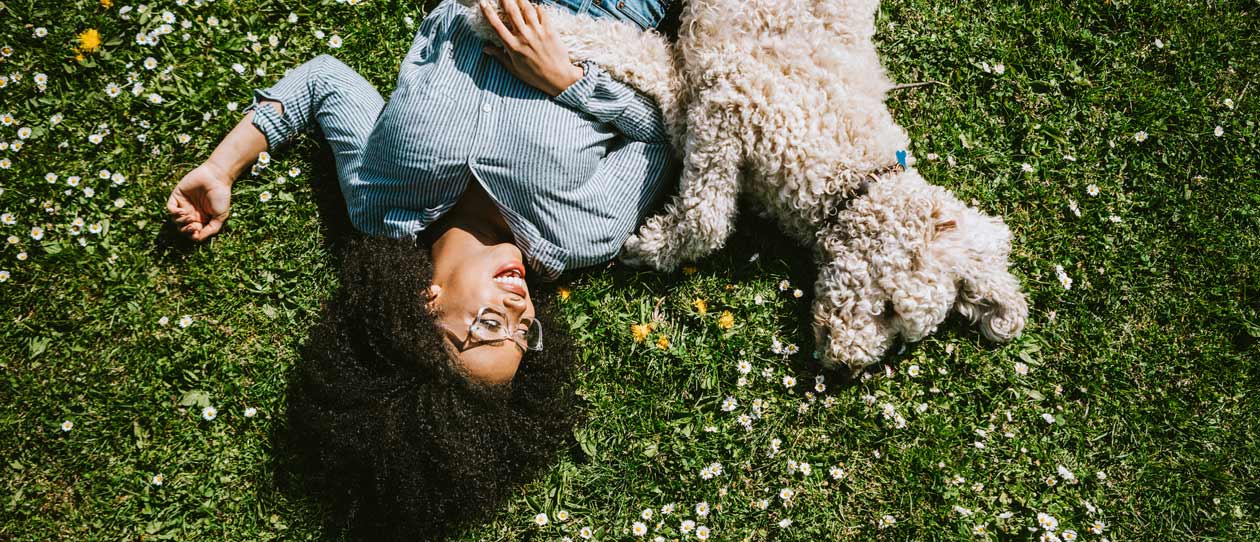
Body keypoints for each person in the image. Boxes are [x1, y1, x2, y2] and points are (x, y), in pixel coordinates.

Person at [164, 0, 679, 538]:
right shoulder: (576, 237)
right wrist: (565, 80)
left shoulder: (379, 203)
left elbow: (324, 83)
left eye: (488, 327)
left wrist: (221, 166)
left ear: (423, 308)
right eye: (526, 332)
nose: (518, 309)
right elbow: (661, 137)